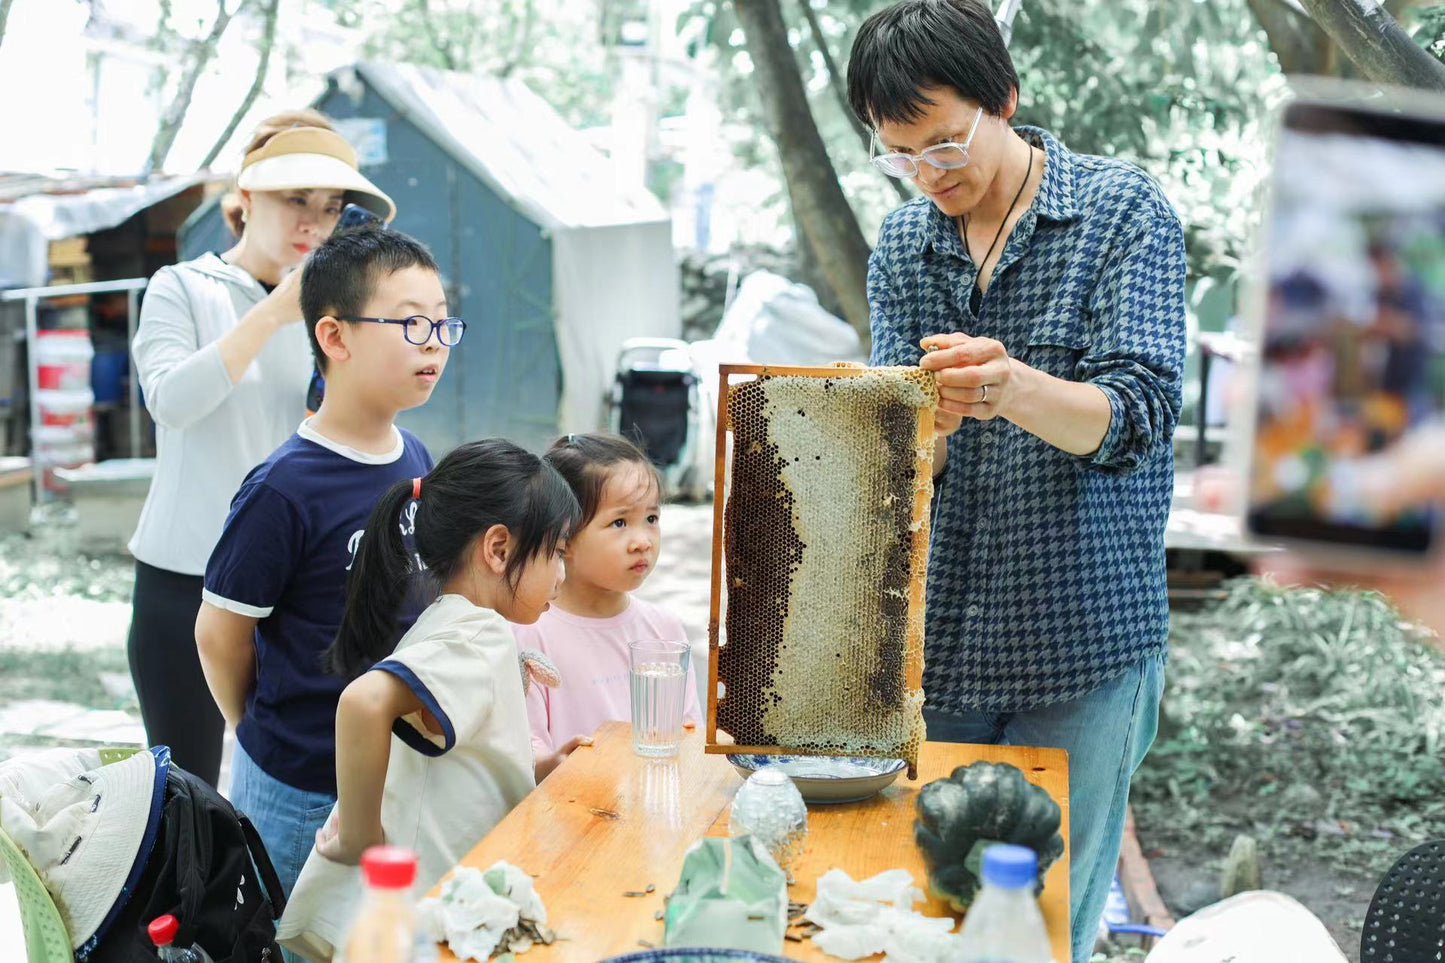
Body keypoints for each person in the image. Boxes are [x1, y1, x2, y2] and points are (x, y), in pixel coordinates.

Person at [845, 2, 1187, 959]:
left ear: (1005, 99)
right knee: (929, 913)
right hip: (943, 639)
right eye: (900, 154)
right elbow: (902, 467)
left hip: (1082, 635)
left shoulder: (1121, 214)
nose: (928, 174)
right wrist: (926, 427)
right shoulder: (905, 246)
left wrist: (1011, 388)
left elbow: (1139, 415)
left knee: (1041, 927)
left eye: (945, 144)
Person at [126, 110, 394, 787]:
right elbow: (172, 402)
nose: (314, 222)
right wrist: (276, 308)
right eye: (294, 199)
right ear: (242, 201)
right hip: (184, 575)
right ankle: (181, 900)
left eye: (332, 207)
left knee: (283, 774)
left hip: (291, 582)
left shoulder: (334, 314)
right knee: (185, 787)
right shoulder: (182, 287)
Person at [194, 224, 450, 905]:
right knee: (291, 937)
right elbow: (219, 634)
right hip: (298, 785)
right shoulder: (282, 489)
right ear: (334, 338)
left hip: (394, 771)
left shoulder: (417, 458)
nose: (434, 340)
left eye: (443, 323)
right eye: (411, 322)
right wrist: (255, 728)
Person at [274, 439, 584, 961]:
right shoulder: (479, 636)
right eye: (555, 552)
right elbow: (362, 702)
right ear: (499, 549)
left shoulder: (448, 619)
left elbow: (464, 751)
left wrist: (540, 764)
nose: (562, 573)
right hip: (428, 915)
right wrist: (358, 835)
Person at [516, 433, 702, 776]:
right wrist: (551, 764)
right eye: (619, 522)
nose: (643, 541)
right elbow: (527, 752)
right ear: (564, 538)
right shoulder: (529, 634)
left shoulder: (665, 631)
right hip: (569, 816)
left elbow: (689, 737)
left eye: (651, 519)